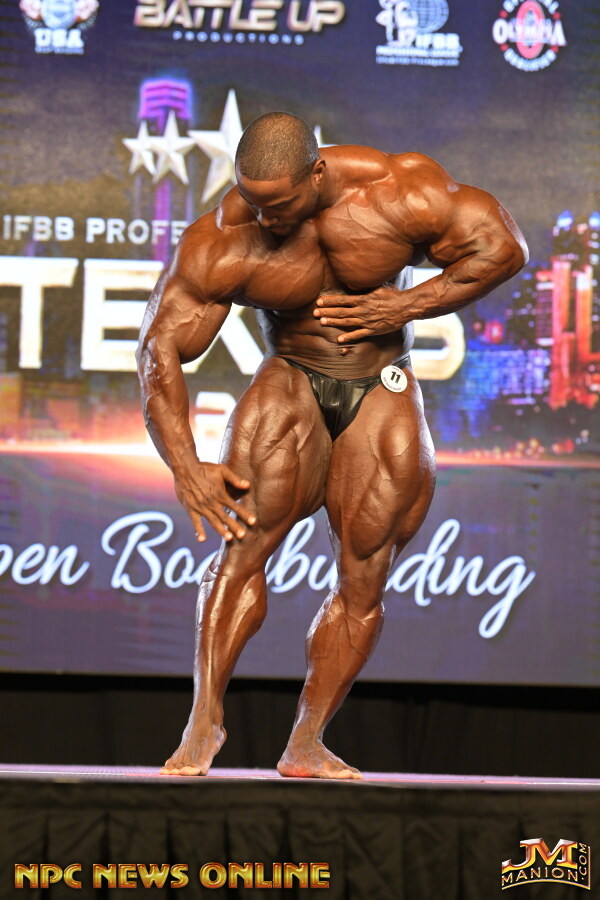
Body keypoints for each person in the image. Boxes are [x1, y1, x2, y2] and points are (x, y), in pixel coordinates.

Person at [137, 112, 527, 778]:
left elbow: (502, 248)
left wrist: (403, 308)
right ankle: (204, 721)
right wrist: (185, 465)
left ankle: (307, 741)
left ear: (316, 173)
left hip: (382, 381)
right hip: (290, 377)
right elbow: (159, 349)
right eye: (255, 202)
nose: (268, 219)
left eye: (281, 204)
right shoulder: (225, 237)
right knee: (242, 550)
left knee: (365, 572)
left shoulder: (399, 190)